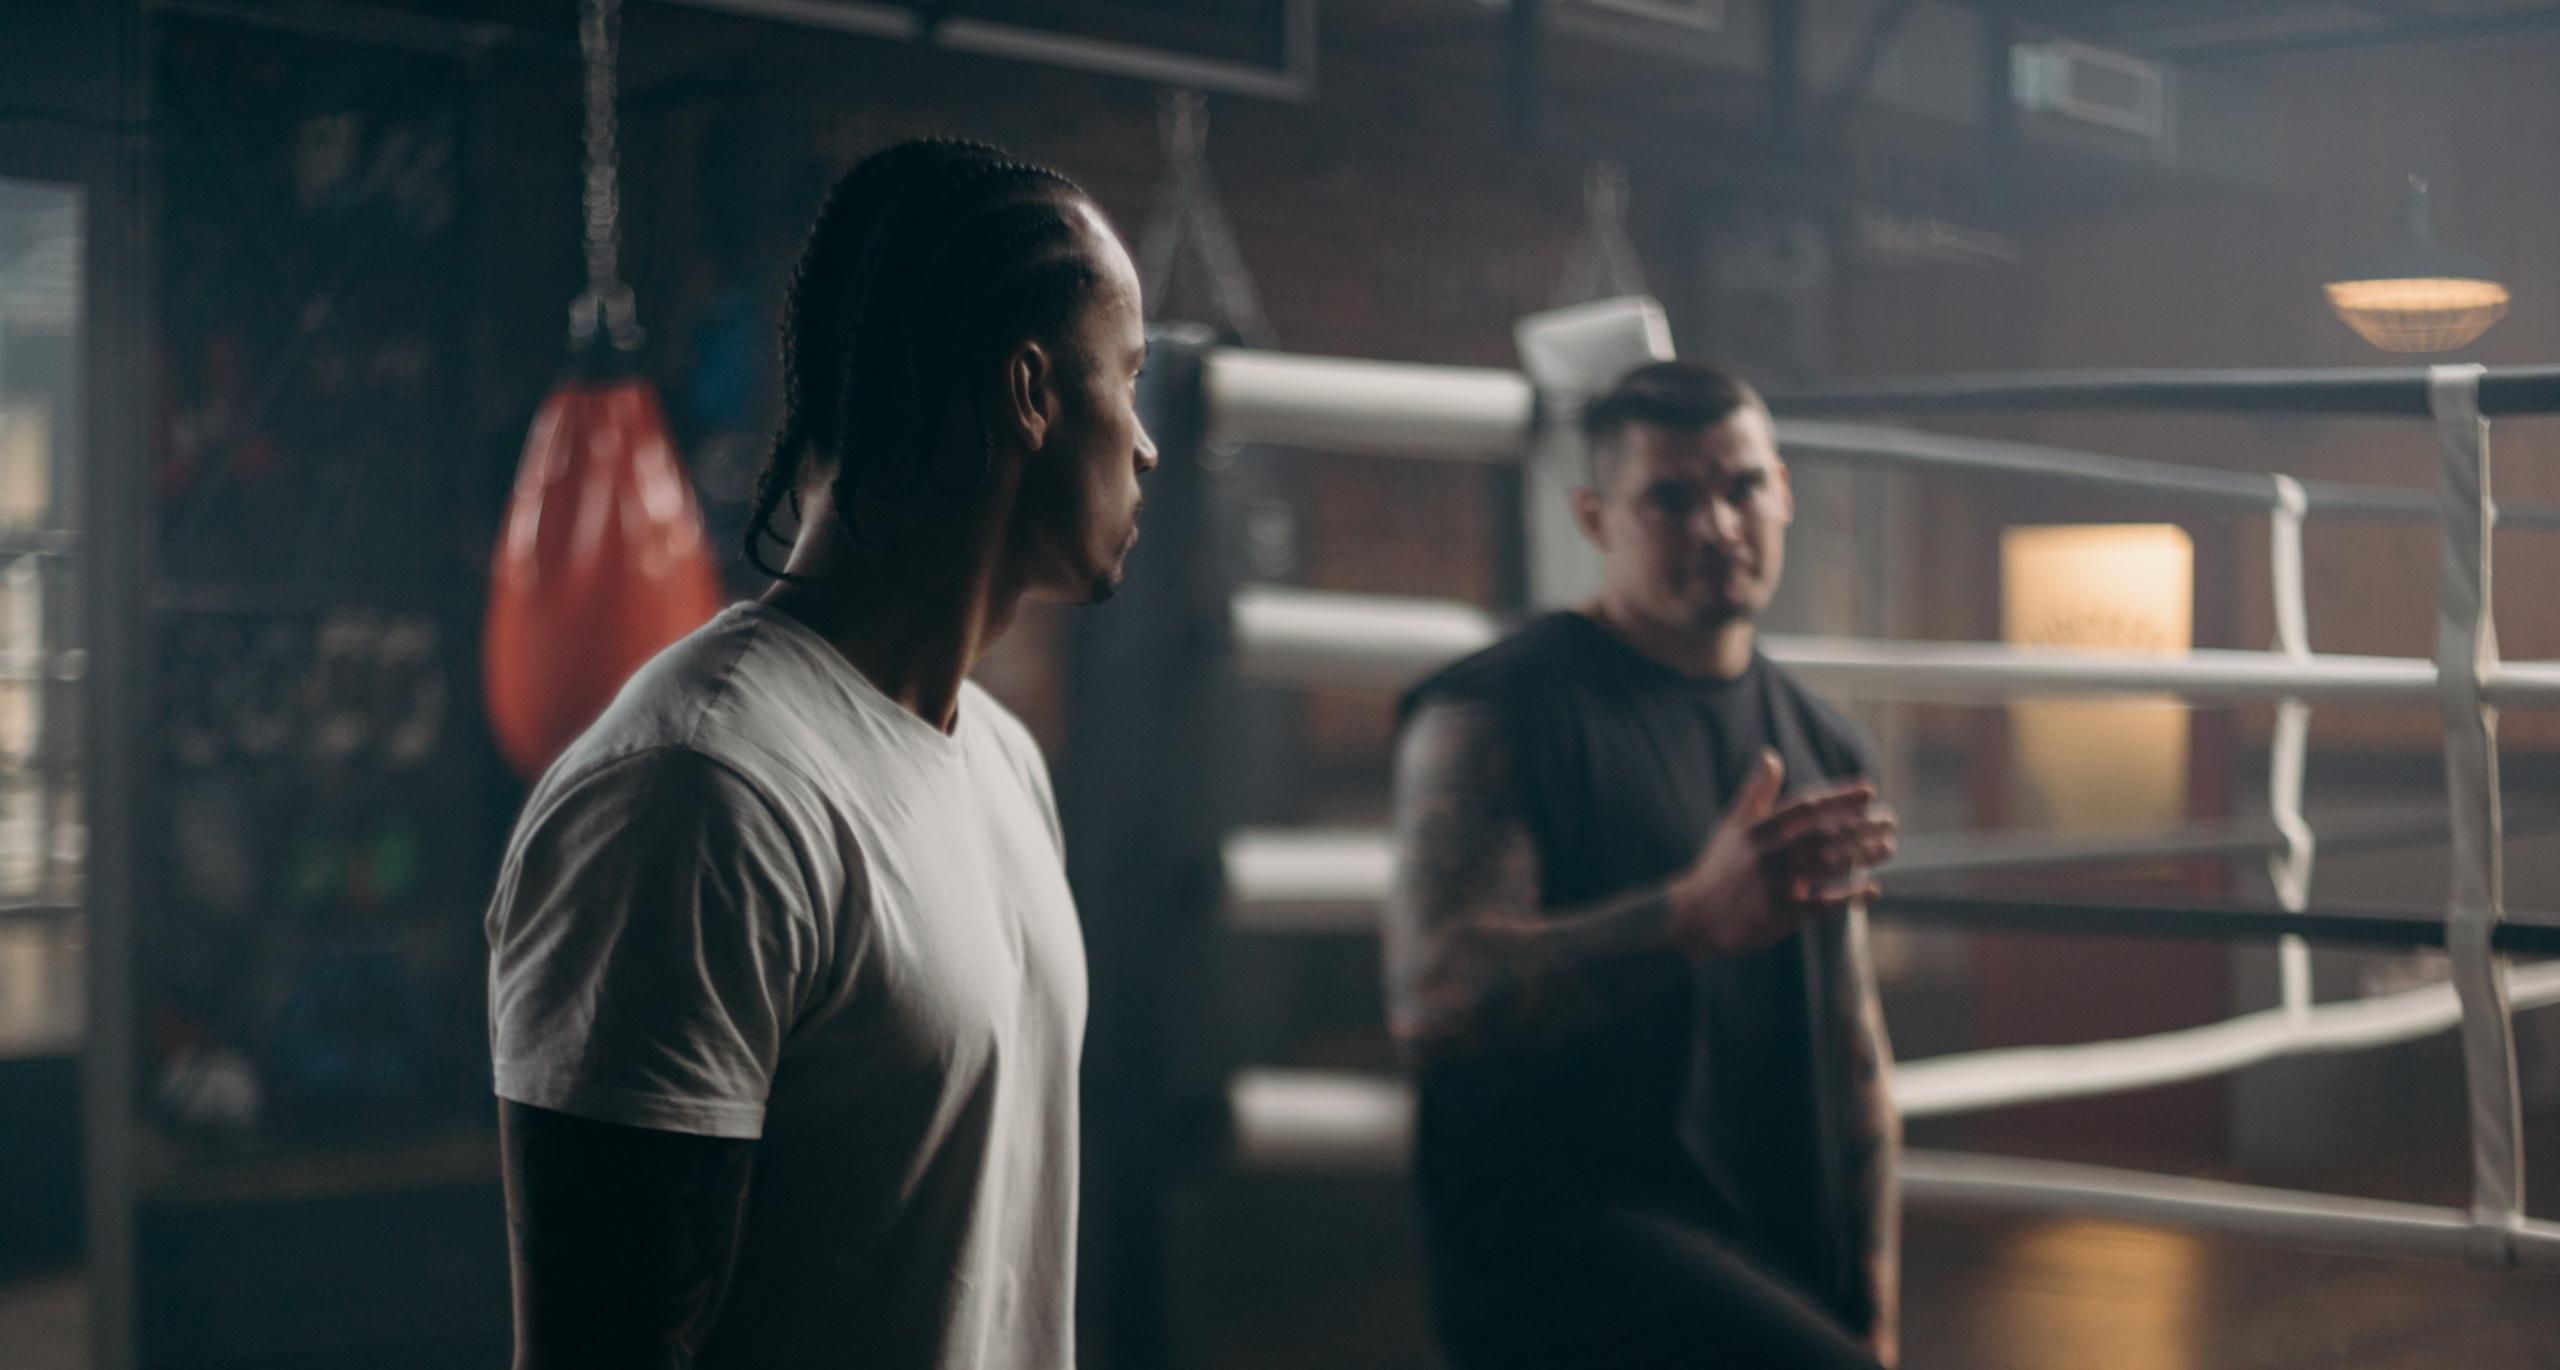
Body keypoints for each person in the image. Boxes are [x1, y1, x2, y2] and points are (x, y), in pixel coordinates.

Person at [484, 138, 1156, 1370]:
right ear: (1031, 390)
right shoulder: (701, 791)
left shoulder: (1002, 760)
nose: (1150, 445)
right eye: (1130, 376)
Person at [1384, 360, 1902, 1368]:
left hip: (1771, 1245)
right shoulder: (1492, 709)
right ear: (1592, 516)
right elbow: (1432, 996)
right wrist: (1685, 917)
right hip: (1568, 1253)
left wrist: (1874, 1294)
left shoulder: (1826, 746)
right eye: (1669, 496)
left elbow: (1854, 1052)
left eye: (1741, 485)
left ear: (1782, 490)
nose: (1715, 524)